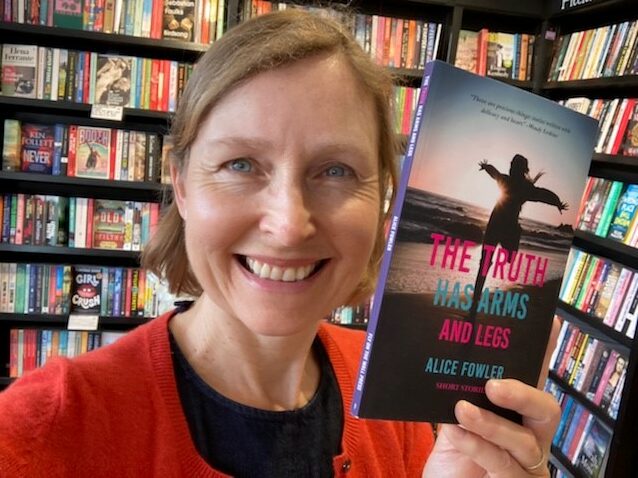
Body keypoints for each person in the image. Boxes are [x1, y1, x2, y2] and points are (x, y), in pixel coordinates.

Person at [0, 10, 561, 478]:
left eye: (337, 170)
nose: (290, 224)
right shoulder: (40, 430)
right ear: (183, 187)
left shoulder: (396, 411)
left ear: (384, 200)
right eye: (240, 164)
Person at [468, 154, 568, 321]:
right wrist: (486, 167)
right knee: (484, 262)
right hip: (494, 226)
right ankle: (476, 299)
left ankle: (510, 251)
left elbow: (543, 194)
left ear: (521, 169)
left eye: (514, 165)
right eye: (511, 164)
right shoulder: (507, 181)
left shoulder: (524, 188)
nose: (511, 166)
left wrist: (557, 202)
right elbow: (495, 174)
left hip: (508, 229)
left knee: (506, 258)